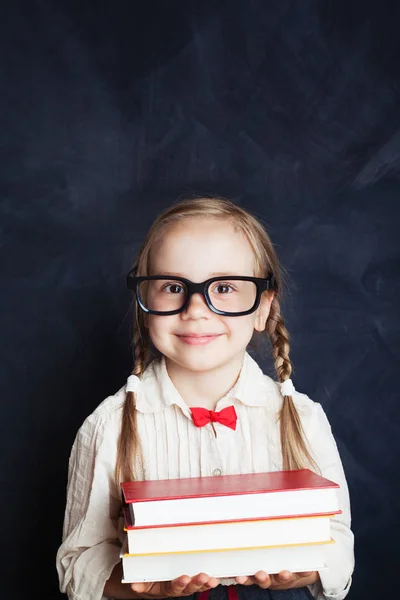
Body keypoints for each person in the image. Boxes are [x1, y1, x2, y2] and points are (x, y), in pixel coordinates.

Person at [56, 196, 354, 600]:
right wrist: (145, 588)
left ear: (263, 307)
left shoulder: (303, 418)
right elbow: (77, 564)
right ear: (145, 305)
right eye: (174, 287)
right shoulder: (108, 425)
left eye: (226, 287)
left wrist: (307, 569)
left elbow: (338, 542)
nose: (196, 309)